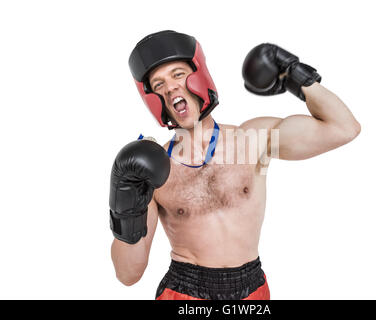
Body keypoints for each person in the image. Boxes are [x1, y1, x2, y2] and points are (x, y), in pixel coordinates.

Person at [109, 30, 361, 300]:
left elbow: (344, 128)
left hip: (251, 289)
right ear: (153, 98)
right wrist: (123, 200)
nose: (170, 87)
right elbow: (128, 274)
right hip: (184, 292)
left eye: (178, 74)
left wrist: (295, 75)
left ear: (199, 76)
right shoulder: (153, 169)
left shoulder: (251, 140)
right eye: (158, 84)